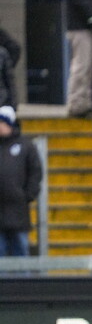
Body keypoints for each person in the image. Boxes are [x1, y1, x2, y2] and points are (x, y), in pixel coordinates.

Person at [0, 107, 42, 257]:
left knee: (21, 250)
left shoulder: (25, 146)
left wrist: (27, 196)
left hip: (18, 211)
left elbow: (35, 172)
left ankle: (24, 280)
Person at [63, 0, 92, 117]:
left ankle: (84, 102)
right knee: (81, 66)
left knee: (86, 66)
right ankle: (77, 103)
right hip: (80, 27)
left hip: (81, 26)